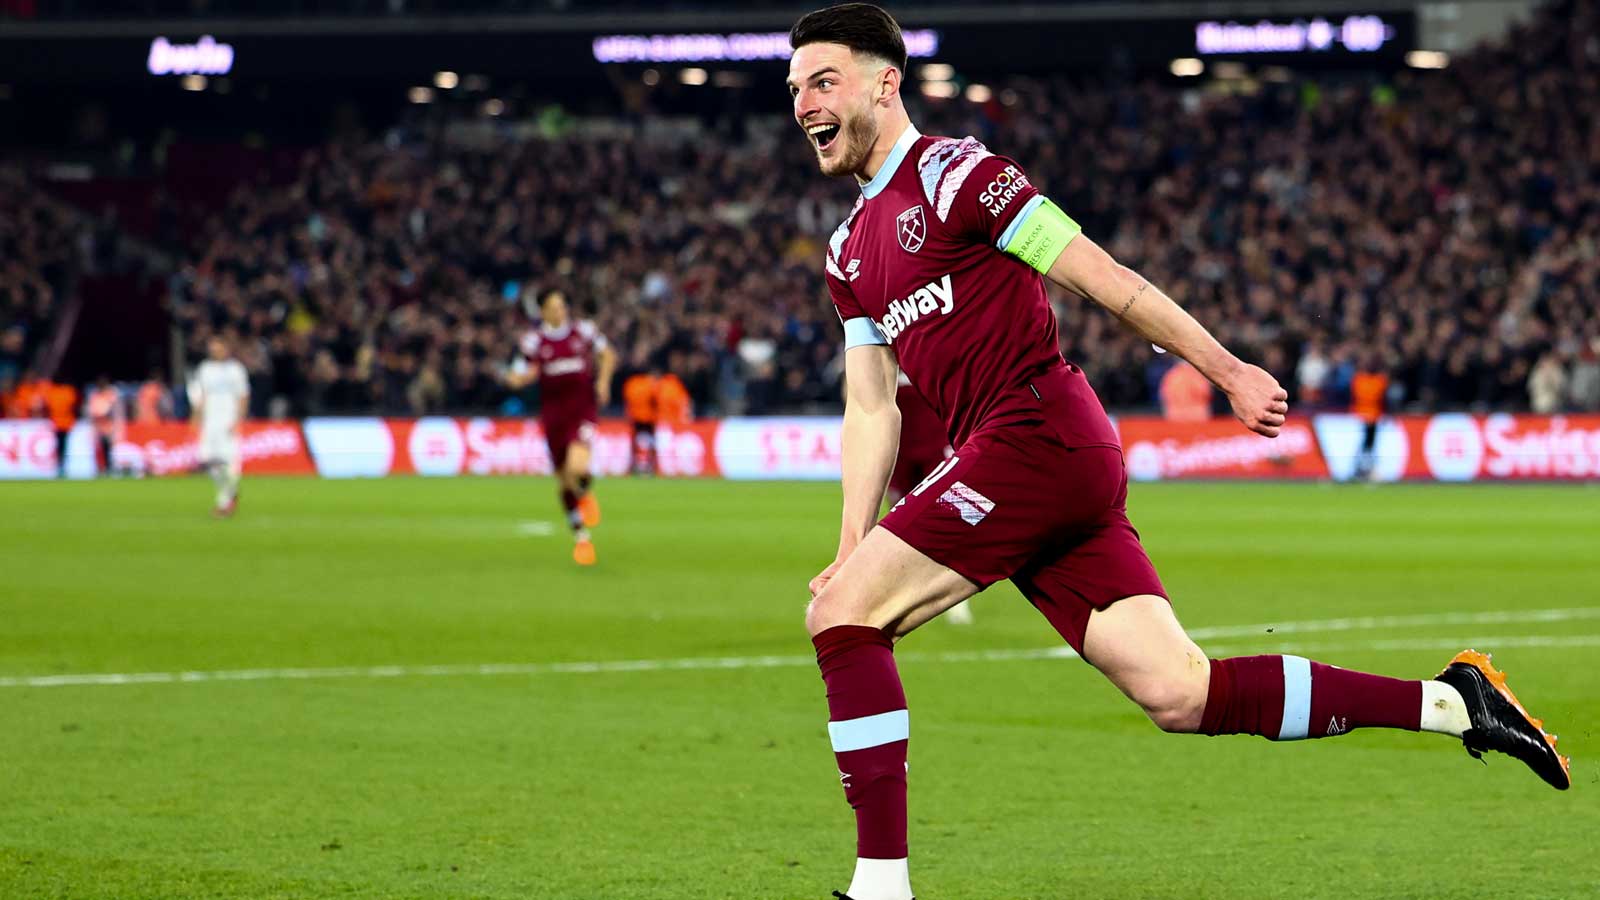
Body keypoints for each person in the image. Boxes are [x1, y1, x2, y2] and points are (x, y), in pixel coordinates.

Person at [783, 7, 1569, 899]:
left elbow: (1108, 278)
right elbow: (871, 406)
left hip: (1036, 433)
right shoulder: (848, 251)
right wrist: (850, 544)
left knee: (843, 619)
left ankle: (880, 886)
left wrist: (1228, 370)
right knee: (1181, 693)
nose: (804, 104)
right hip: (1033, 463)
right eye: (796, 89)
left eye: (823, 81)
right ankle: (1454, 703)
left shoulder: (963, 177)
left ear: (885, 82)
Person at [510, 289, 617, 565]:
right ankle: (581, 538)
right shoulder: (534, 341)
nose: (561, 311)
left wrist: (603, 382)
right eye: (554, 307)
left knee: (577, 467)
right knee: (564, 482)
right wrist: (517, 379)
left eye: (563, 305)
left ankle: (585, 491)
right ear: (543, 312)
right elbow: (522, 370)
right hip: (553, 416)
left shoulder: (584, 331)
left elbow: (608, 355)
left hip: (582, 410)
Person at [886, 373, 969, 625]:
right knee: (899, 520)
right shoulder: (879, 343)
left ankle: (958, 598)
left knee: (954, 517)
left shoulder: (930, 344)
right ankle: (908, 592)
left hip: (935, 442)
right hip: (899, 447)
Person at [192, 336, 250, 517]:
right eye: (213, 348)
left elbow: (243, 396)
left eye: (218, 348)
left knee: (230, 461)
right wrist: (196, 417)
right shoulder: (205, 369)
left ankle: (224, 502)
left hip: (228, 421)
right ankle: (230, 492)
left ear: (226, 349)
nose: (215, 351)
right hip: (210, 422)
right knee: (209, 460)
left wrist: (238, 420)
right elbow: (201, 395)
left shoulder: (236, 370)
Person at [1349, 352, 1389, 481]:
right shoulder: (1359, 379)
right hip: (1359, 417)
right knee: (1362, 446)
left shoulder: (1380, 380)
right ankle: (1359, 470)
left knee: (1370, 446)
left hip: (1373, 417)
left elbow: (1383, 399)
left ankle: (1366, 470)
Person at [622, 361, 662, 476]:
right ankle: (652, 466)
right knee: (651, 444)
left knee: (635, 444)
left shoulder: (630, 383)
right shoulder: (650, 383)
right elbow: (656, 399)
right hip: (649, 418)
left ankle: (633, 466)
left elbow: (627, 401)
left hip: (635, 417)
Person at [86, 374, 125, 477]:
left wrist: (117, 426)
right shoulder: (95, 395)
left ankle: (110, 468)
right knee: (99, 449)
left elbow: (116, 411)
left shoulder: (111, 394)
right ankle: (100, 469)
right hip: (98, 427)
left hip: (109, 426)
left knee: (109, 449)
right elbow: (91, 412)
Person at [42, 375, 79, 478]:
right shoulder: (67, 391)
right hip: (63, 422)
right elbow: (73, 406)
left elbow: (48, 407)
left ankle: (61, 466)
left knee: (61, 445)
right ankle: (61, 466)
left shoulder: (55, 391)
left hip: (61, 422)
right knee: (62, 445)